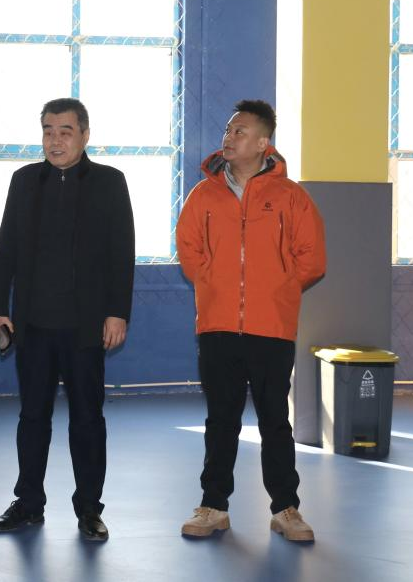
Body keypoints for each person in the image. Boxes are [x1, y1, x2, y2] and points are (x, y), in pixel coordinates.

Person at [0, 97, 135, 542]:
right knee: (32, 417)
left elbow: (121, 253)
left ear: (85, 135)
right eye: (48, 131)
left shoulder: (110, 182)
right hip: (33, 325)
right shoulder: (24, 181)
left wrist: (117, 312)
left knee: (87, 420)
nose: (55, 140)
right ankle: (28, 503)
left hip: (86, 326)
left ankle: (89, 508)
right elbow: (6, 248)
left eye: (65, 131)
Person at [175, 99, 326, 543]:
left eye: (239, 131)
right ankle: (213, 507)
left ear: (263, 143)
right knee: (220, 420)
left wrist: (278, 290)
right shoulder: (203, 195)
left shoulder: (291, 197)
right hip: (217, 326)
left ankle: (286, 509)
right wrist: (212, 282)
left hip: (271, 328)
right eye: (228, 130)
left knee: (274, 421)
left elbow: (312, 258)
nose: (229, 137)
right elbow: (188, 249)